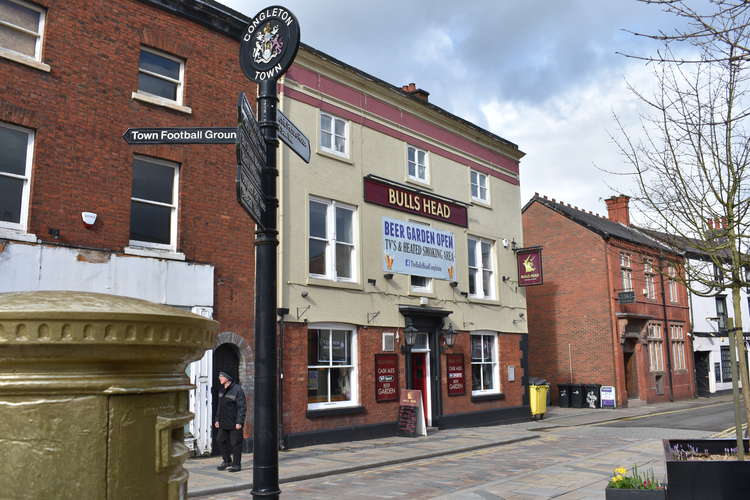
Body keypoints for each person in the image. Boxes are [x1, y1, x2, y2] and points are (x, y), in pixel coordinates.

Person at [215, 371, 246, 472]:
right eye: (219, 376)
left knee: (235, 443)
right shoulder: (221, 390)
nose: (219, 378)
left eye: (221, 376)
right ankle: (227, 460)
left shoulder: (237, 390)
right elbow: (219, 407)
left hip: (234, 423)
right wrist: (217, 419)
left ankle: (237, 465)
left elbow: (242, 407)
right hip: (223, 422)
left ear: (227, 378)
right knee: (220, 440)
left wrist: (239, 422)